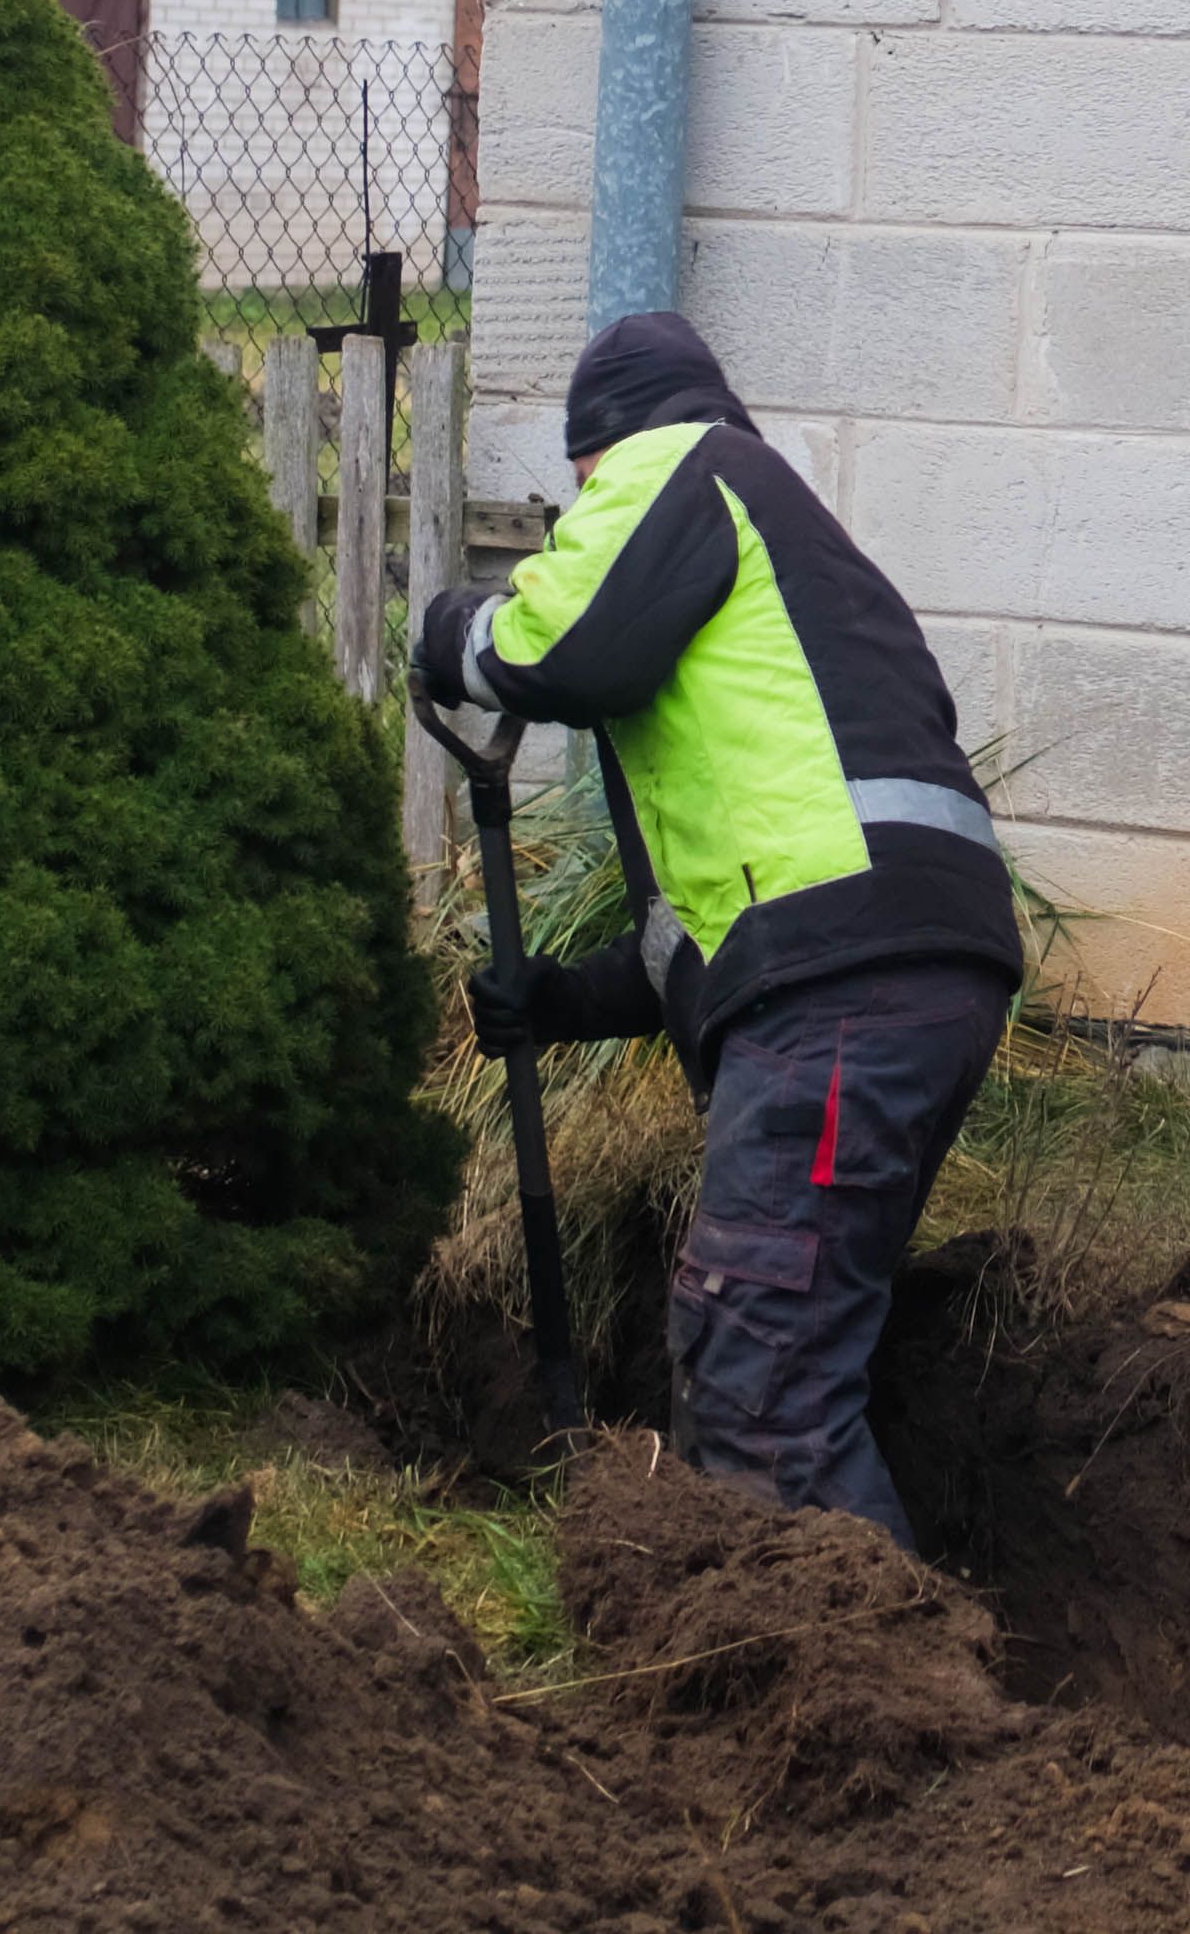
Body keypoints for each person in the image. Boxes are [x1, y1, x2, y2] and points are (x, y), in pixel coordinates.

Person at [418, 311, 1015, 1542]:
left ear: (599, 459)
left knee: (762, 1383)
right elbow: (737, 910)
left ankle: (890, 1711)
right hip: (901, 981)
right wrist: (568, 1001)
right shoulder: (778, 576)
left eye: (579, 498)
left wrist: (446, 633)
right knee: (791, 1349)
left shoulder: (678, 467)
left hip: (847, 1000)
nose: (581, 522)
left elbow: (556, 650)